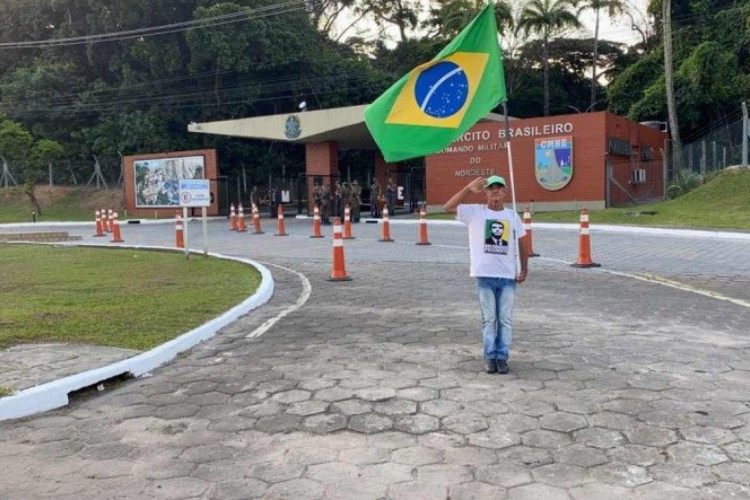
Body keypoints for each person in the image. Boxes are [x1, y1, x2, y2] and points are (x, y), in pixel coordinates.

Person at [444, 175, 529, 374]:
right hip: (485, 275)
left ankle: (502, 356)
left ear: (505, 191)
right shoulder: (475, 213)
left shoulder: (512, 216)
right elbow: (448, 206)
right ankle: (490, 356)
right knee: (489, 318)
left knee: (505, 319)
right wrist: (467, 189)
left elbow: (522, 243)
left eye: (499, 187)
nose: (495, 191)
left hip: (507, 275)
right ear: (486, 192)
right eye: (491, 188)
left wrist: (524, 267)